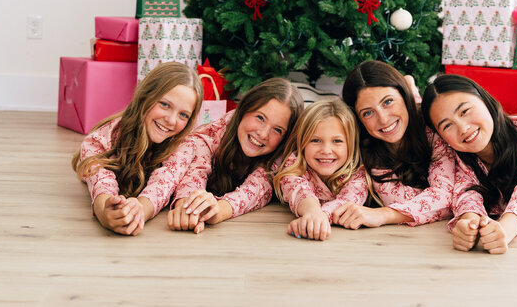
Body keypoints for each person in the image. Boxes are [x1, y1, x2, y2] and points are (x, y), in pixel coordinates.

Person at [421, 74, 517, 254]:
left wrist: (506, 229)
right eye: (447, 126)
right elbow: (467, 192)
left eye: (465, 111)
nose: (463, 128)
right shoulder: (459, 158)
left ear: (485, 100)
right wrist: (469, 224)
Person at [72, 62, 204, 236]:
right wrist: (106, 213)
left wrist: (139, 210)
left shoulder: (184, 145)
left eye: (183, 115)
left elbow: (163, 184)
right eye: (165, 104)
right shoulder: (102, 139)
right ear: (145, 97)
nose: (171, 120)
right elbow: (100, 181)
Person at [167, 77, 304, 233]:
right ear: (244, 110)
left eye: (277, 130)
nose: (263, 133)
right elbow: (195, 172)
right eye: (260, 118)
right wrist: (187, 207)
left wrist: (216, 211)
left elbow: (257, 190)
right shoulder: (211, 136)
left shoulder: (278, 157)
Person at [337, 60, 456, 229]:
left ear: (402, 95)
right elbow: (394, 198)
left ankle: (411, 88)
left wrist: (383, 214)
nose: (383, 119)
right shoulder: (364, 147)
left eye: (388, 102)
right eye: (368, 113)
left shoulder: (432, 127)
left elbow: (446, 195)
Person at [273, 99, 368, 241]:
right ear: (302, 142)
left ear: (351, 144)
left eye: (337, 141)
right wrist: (312, 212)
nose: (326, 150)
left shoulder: (357, 171)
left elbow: (349, 201)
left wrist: (315, 218)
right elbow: (298, 190)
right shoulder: (294, 163)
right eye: (315, 140)